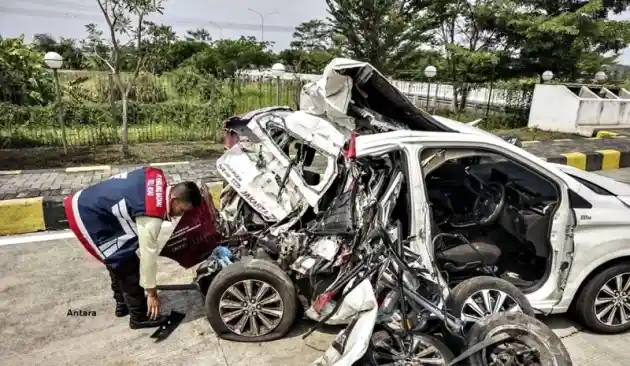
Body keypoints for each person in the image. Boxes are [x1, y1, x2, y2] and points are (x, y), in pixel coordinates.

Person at [63, 167, 202, 329]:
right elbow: (148, 256)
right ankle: (139, 317)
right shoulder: (152, 216)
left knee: (117, 258)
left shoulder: (156, 175)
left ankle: (122, 305)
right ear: (174, 199)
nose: (179, 215)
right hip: (90, 215)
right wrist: (152, 294)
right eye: (181, 210)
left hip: (90, 202)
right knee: (126, 264)